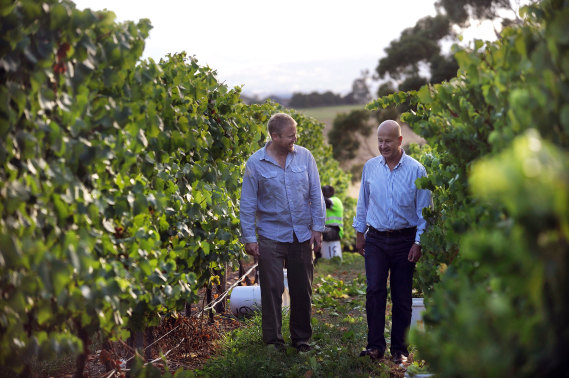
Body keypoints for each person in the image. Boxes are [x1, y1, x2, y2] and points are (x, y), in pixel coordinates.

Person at [239, 112, 325, 352]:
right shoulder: (255, 163)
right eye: (290, 135)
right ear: (274, 136)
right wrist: (249, 238)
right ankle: (273, 341)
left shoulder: (305, 157)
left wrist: (318, 228)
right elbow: (247, 203)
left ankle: (302, 339)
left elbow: (315, 194)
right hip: (270, 235)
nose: (294, 139)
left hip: (301, 234)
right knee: (272, 289)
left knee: (302, 288)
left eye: (295, 134)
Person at [353, 120, 431, 364]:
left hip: (404, 241)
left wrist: (418, 243)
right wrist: (359, 233)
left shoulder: (417, 170)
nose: (383, 145)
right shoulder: (370, 167)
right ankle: (375, 346)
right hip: (375, 238)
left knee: (402, 296)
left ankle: (400, 349)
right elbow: (363, 202)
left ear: (400, 141)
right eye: (380, 140)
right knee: (374, 290)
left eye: (388, 140)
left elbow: (424, 211)